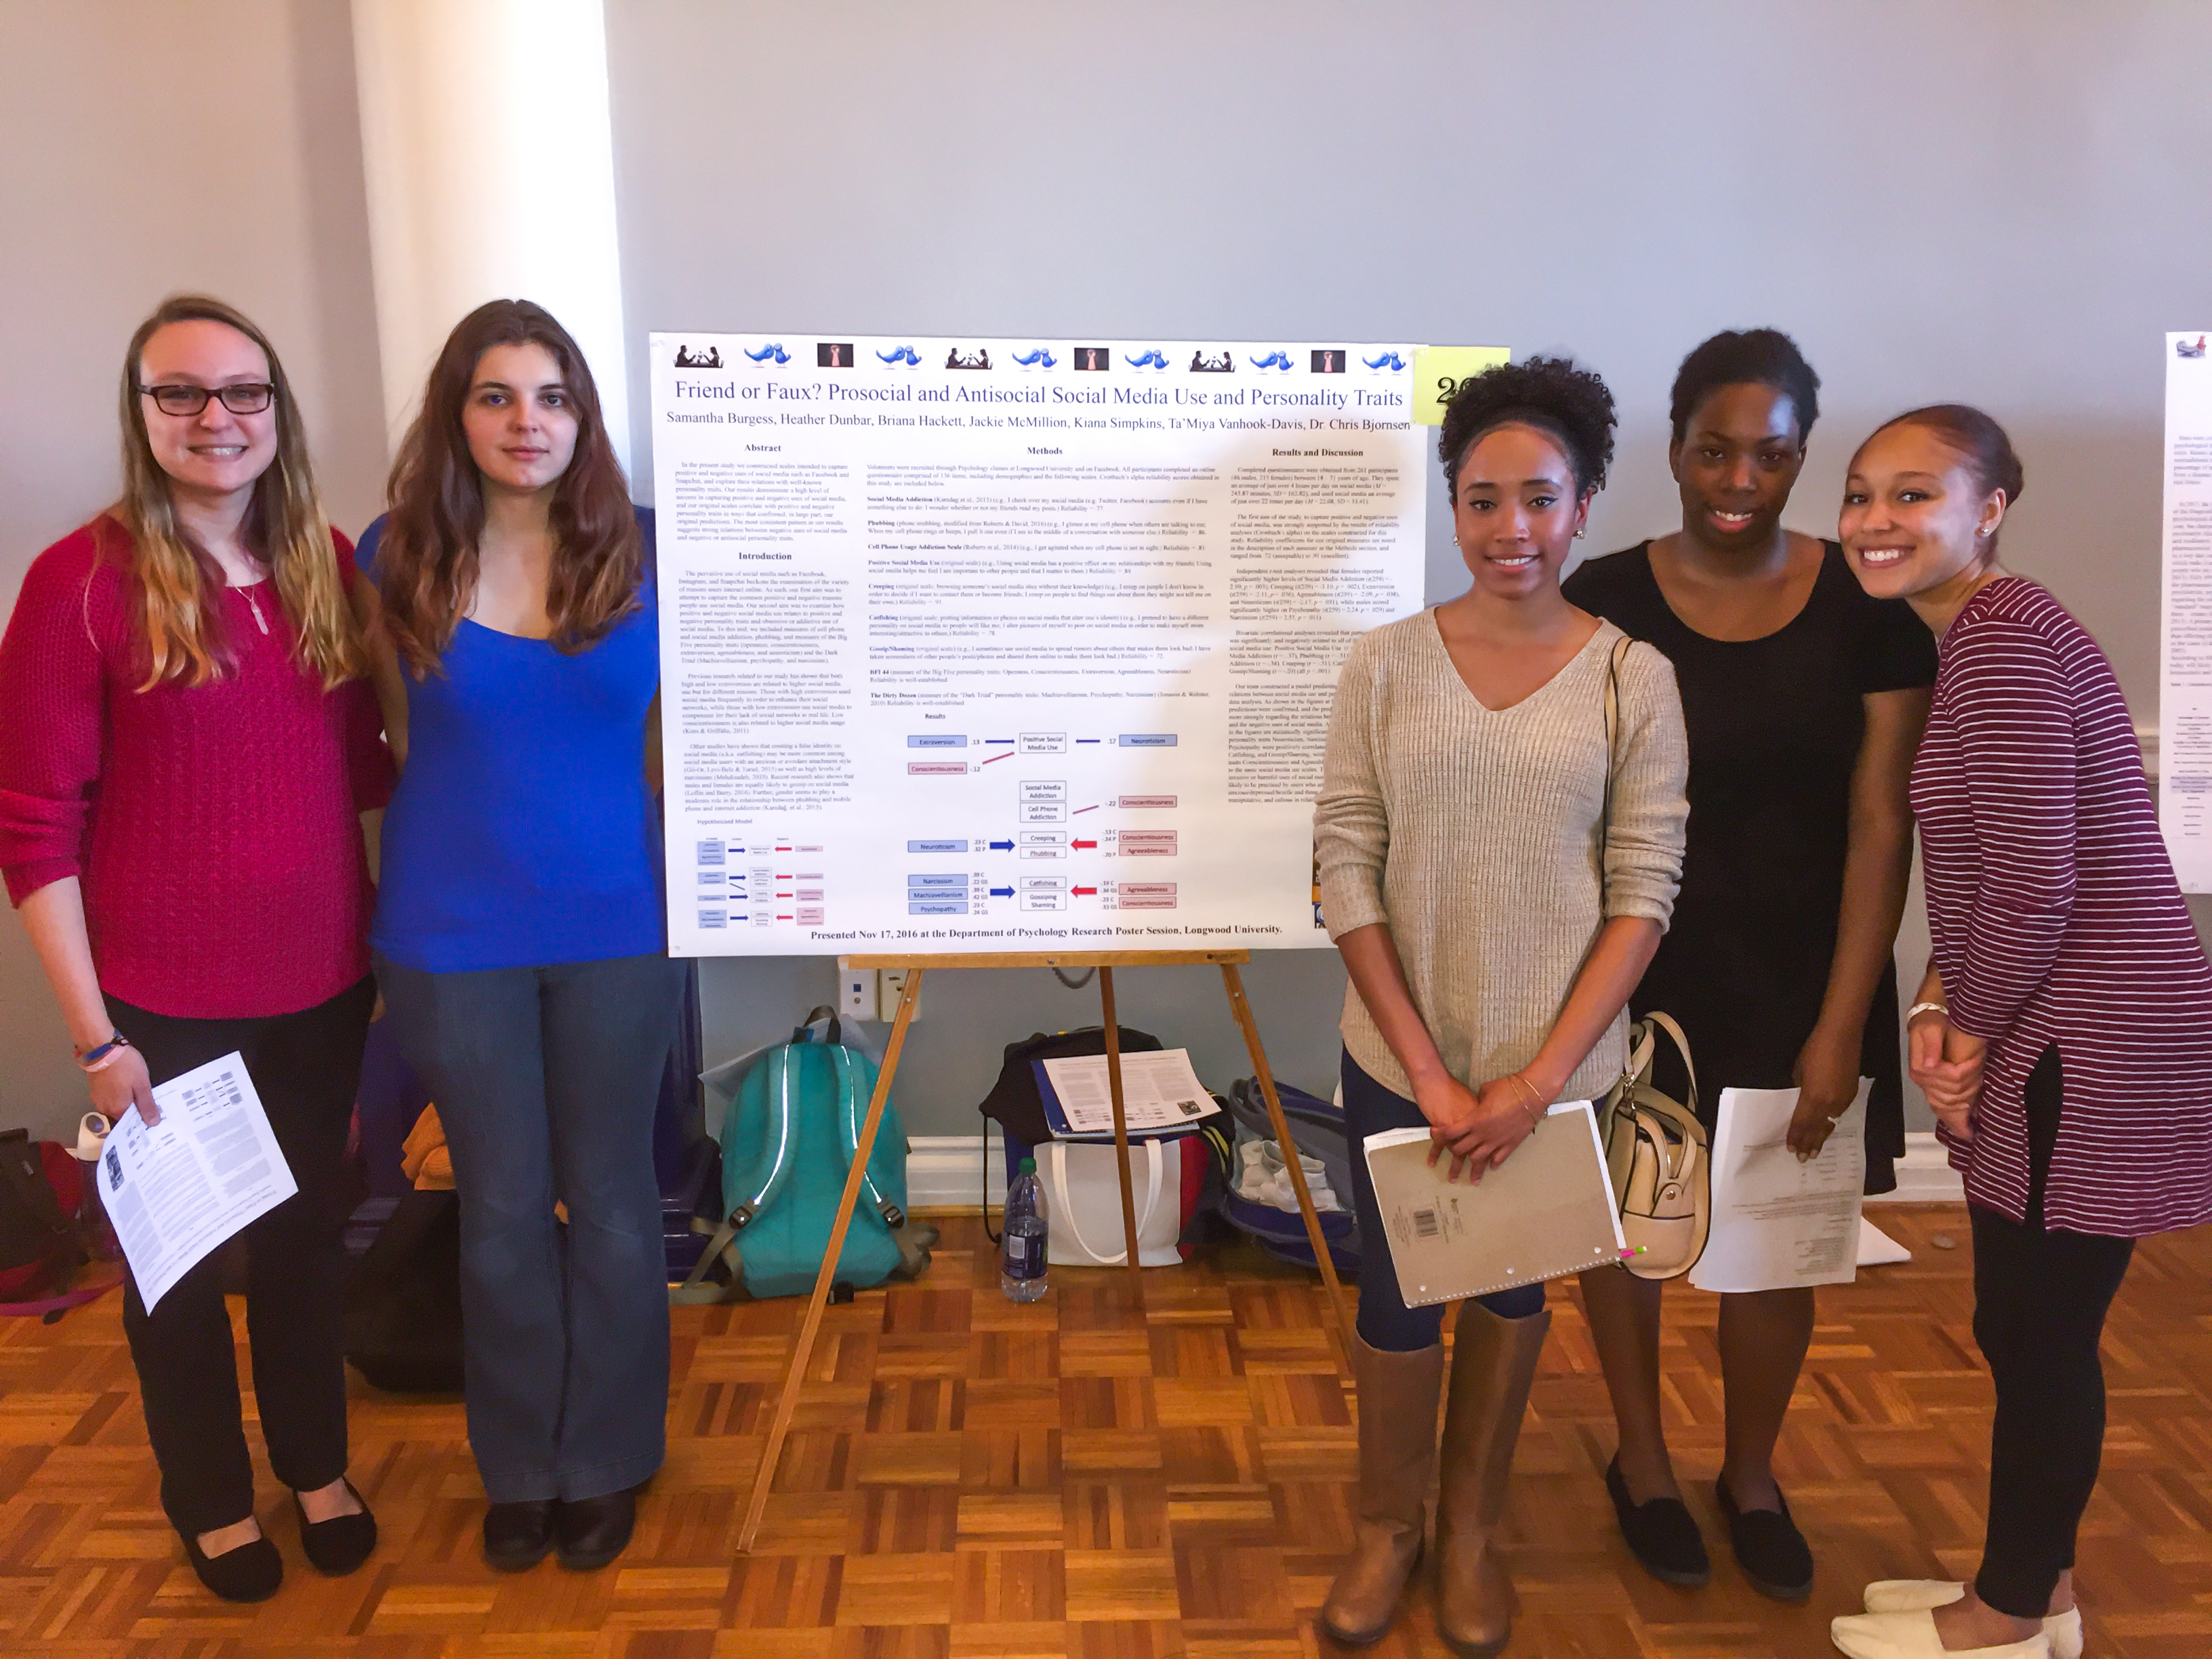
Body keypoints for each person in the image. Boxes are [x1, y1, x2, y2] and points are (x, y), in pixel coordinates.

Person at [0, 295, 388, 1601]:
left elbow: (362, 776)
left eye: (244, 393)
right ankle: (213, 1500)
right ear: (142, 411)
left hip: (325, 988)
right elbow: (33, 830)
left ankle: (316, 1464)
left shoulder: (325, 562)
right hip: (159, 1007)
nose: (217, 418)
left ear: (277, 413)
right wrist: (93, 1039)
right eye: (183, 393)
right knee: (177, 1268)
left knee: (301, 1245)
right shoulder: (80, 583)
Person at [1315, 356, 1689, 1654]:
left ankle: (1468, 1530)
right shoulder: (1382, 666)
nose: (1510, 529)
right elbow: (1345, 864)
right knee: (1396, 1297)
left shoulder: (1629, 678)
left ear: (1584, 504)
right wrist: (1428, 1071)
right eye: (1483, 499)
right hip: (1399, 1058)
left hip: (1560, 1077)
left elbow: (1644, 892)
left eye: (1540, 497)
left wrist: (1532, 1085)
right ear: (1453, 506)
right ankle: (1389, 1526)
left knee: (1512, 1295)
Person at [1828, 407, 2212, 1659]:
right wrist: (1951, 998)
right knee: (2028, 1323)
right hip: (2071, 1012)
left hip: (2090, 1032)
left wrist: (1964, 1016)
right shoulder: (1994, 631)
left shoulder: (1999, 643)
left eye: (1915, 494)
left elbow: (2038, 874)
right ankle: (2029, 1586)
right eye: (1862, 494)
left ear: (1989, 507)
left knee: (2040, 1330)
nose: (1877, 520)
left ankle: (2005, 1614)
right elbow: (2000, 865)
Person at [1562, 330, 1934, 1601]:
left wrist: (1844, 1021)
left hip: (1805, 975)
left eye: (1770, 454)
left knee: (1781, 1243)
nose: (1740, 477)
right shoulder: (1600, 596)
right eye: (1714, 449)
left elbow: (1882, 817)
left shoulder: (1864, 609)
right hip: (1636, 970)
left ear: (1799, 460)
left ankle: (1755, 1472)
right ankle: (1646, 1462)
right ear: (1674, 450)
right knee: (1630, 1232)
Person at [358, 299, 677, 1575]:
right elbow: (393, 738)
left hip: (610, 926)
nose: (526, 422)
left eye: (550, 397)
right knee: (494, 1208)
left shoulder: (643, 553)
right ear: (459, 414)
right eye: (497, 396)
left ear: (582, 418)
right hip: (450, 932)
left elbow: (660, 744)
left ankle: (603, 1461)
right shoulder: (397, 554)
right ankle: (520, 1469)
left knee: (607, 1199)